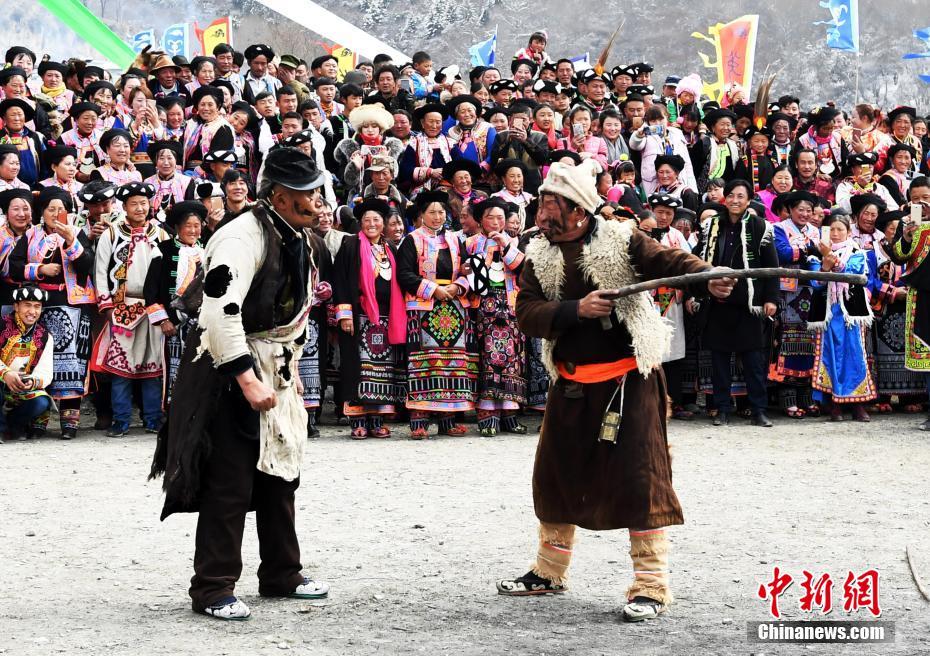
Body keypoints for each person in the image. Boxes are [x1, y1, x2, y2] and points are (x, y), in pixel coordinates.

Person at [496, 159, 735, 623]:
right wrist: (575, 309)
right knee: (554, 476)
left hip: (630, 380)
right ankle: (548, 571)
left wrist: (708, 274)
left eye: (552, 207)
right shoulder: (538, 254)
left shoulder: (620, 238)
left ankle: (651, 585)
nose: (542, 216)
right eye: (541, 205)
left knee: (640, 481)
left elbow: (671, 262)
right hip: (571, 384)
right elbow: (526, 312)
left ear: (581, 211)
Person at [150, 147, 331, 621]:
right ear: (279, 195)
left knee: (280, 474)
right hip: (229, 369)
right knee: (229, 481)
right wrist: (246, 378)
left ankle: (281, 573)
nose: (315, 198)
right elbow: (218, 312)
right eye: (306, 191)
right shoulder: (239, 237)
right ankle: (212, 587)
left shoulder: (297, 233)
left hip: (276, 363)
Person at [9, 186, 96, 439]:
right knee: (39, 361)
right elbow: (13, 267)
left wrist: (70, 241)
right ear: (42, 212)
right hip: (40, 307)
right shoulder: (32, 234)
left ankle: (69, 423)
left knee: (72, 364)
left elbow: (87, 265)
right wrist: (39, 270)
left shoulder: (77, 232)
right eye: (51, 209)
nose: (57, 213)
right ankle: (39, 421)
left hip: (73, 305)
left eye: (62, 209)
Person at [693, 178, 779, 428]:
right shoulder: (711, 226)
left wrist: (771, 298)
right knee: (719, 362)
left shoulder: (760, 227)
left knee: (753, 362)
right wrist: (695, 294)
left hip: (748, 303)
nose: (735, 200)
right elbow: (698, 261)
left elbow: (771, 267)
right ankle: (722, 409)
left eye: (740, 196)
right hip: (717, 302)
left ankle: (759, 410)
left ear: (749, 200)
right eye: (731, 195)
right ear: (724, 198)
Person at [396, 190, 476, 438]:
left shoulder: (455, 240)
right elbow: (405, 274)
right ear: (421, 215)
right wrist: (434, 290)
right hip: (424, 310)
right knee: (425, 362)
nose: (437, 216)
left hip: (453, 307)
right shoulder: (412, 240)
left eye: (441, 212)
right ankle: (419, 419)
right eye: (432, 212)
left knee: (452, 363)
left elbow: (469, 269)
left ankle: (448, 419)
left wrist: (456, 286)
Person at [92, 182, 168, 436]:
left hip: (153, 308)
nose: (139, 208)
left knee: (152, 364)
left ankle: (153, 418)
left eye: (144, 203)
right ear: (124, 207)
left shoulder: (161, 233)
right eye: (134, 203)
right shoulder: (112, 234)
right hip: (123, 306)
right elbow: (101, 270)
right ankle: (121, 419)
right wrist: (107, 306)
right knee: (120, 368)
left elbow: (169, 272)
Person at [334, 198, 407, 438]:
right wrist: (345, 314)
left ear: (384, 223)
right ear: (360, 223)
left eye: (376, 220)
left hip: (386, 319)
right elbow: (341, 281)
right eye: (367, 220)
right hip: (360, 316)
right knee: (360, 370)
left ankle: (376, 419)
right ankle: (357, 421)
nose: (372, 224)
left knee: (383, 370)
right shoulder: (351, 245)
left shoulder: (391, 249)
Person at [463, 197, 527, 436]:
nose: (496, 221)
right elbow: (466, 272)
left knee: (512, 358)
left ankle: (510, 413)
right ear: (480, 220)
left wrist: (506, 245)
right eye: (491, 217)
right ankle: (487, 414)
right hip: (483, 306)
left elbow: (522, 268)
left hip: (510, 305)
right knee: (486, 357)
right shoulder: (470, 243)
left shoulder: (513, 241)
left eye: (500, 217)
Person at [807, 215, 876, 421]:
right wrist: (824, 265)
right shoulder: (814, 254)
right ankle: (834, 403)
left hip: (850, 314)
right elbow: (815, 282)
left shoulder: (857, 253)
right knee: (830, 355)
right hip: (827, 313)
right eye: (831, 230)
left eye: (840, 229)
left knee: (854, 355)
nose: (835, 234)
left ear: (848, 231)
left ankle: (858, 404)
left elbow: (853, 273)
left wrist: (831, 260)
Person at [142, 201, 205, 405]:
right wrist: (163, 320)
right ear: (178, 227)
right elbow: (150, 291)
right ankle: (174, 410)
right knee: (174, 367)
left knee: (201, 366)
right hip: (174, 322)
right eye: (189, 225)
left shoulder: (207, 251)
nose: (193, 230)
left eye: (197, 225)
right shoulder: (162, 250)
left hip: (202, 323)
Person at [771, 190, 822, 418]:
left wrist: (809, 253)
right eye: (800, 209)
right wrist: (806, 251)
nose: (804, 214)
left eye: (808, 210)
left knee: (810, 343)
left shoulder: (816, 230)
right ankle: (788, 398)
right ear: (790, 210)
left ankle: (807, 397)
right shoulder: (779, 229)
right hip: (787, 294)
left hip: (810, 292)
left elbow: (822, 254)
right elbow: (781, 253)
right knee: (787, 342)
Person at [647, 193, 694, 419]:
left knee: (674, 351)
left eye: (668, 213)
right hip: (648, 299)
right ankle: (650, 401)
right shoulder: (643, 234)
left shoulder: (677, 236)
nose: (664, 217)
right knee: (651, 350)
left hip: (672, 299)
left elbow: (689, 263)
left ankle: (675, 400)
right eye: (660, 212)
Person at [890, 177, 930, 429]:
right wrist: (905, 236)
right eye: (916, 200)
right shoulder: (908, 225)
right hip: (921, 297)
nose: (922, 203)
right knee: (928, 357)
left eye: (926, 198)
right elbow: (899, 256)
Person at [0, 286, 54, 443]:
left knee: (41, 402)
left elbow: (46, 372)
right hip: (1, 380)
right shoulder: (1, 325)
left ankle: (12, 427)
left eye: (37, 306)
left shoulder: (45, 336)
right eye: (27, 305)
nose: (32, 311)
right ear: (16, 306)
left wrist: (32, 382)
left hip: (21, 387)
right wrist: (5, 373)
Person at [182, 86, 235, 173]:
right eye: (202, 104)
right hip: (187, 171)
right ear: (197, 107)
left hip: (210, 173)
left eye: (210, 105)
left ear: (218, 107)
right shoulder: (191, 124)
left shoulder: (223, 128)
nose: (206, 108)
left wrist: (195, 174)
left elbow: (217, 157)